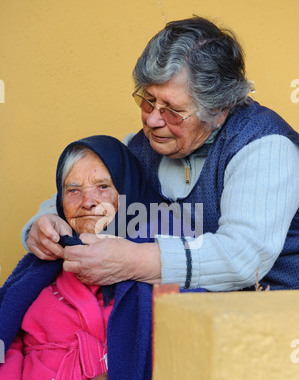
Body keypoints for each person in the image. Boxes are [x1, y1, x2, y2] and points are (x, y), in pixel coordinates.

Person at [22, 17, 299, 292]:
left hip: (276, 319)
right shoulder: (142, 146)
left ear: (219, 109)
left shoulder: (265, 147)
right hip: (189, 320)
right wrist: (44, 224)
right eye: (148, 100)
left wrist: (134, 260)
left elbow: (241, 258)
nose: (153, 120)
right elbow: (81, 192)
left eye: (172, 109)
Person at [0, 135, 166, 380]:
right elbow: (8, 338)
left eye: (103, 187)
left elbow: (179, 351)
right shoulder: (43, 264)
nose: (87, 201)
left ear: (128, 191)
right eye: (73, 190)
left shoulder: (156, 262)